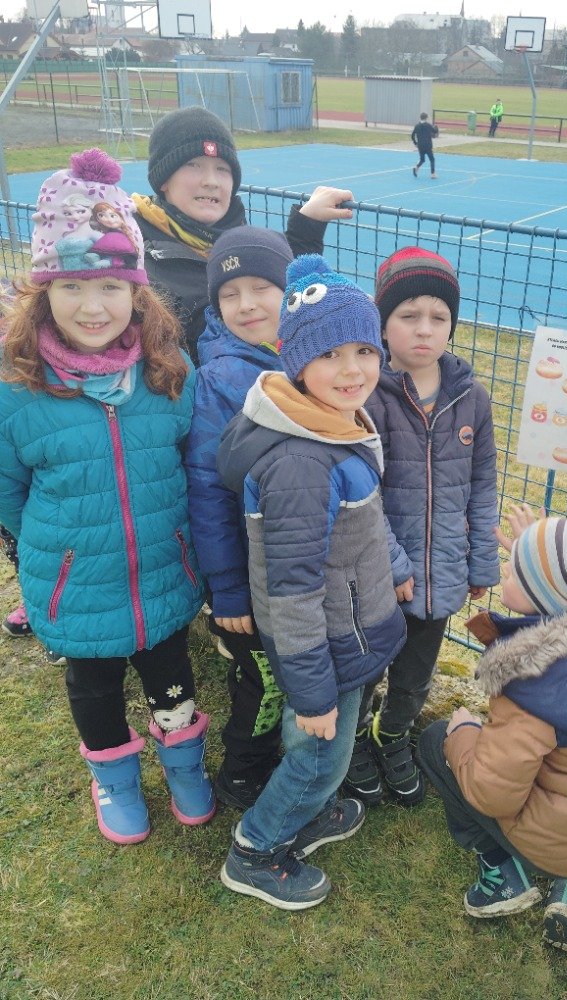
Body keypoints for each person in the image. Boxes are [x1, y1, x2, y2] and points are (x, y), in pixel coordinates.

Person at [0, 148, 214, 845]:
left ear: (138, 294)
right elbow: (9, 493)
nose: (93, 307)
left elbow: (192, 464)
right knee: (93, 689)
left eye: (112, 287)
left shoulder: (169, 371)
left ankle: (183, 763)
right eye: (71, 287)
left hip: (162, 571)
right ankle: (115, 780)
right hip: (77, 583)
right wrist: (56, 549)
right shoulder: (17, 388)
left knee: (171, 676)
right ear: (43, 294)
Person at [216, 254, 407, 910]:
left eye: (364, 351)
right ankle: (257, 848)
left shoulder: (333, 422)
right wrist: (313, 693)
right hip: (322, 647)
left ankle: (308, 808)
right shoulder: (301, 460)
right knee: (319, 754)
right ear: (298, 362)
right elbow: (291, 592)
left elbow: (362, 522)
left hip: (345, 630)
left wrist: (395, 569)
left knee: (326, 752)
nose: (352, 370)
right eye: (330, 355)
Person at [418, 511, 567, 958]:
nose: (503, 569)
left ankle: (502, 873)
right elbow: (564, 594)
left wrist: (463, 732)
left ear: (541, 594)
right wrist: (535, 561)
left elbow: (492, 795)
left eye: (515, 570)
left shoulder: (532, 687)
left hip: (561, 843)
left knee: (437, 740)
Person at [342, 247, 499, 807]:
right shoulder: (367, 397)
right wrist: (393, 564)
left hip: (442, 577)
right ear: (383, 324)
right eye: (408, 316)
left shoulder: (472, 398)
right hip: (379, 578)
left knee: (414, 674)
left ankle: (393, 736)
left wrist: (481, 562)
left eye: (438, 316)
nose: (425, 329)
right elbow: (360, 493)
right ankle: (352, 742)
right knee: (366, 668)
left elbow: (482, 485)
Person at [185, 226, 293, 811]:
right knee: (263, 677)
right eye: (230, 294)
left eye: (260, 288)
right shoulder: (221, 379)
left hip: (304, 562)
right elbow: (207, 491)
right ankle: (244, 770)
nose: (247, 304)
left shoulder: (316, 357)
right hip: (250, 574)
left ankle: (297, 753)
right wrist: (228, 589)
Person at [132, 105, 354, 361]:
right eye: (193, 165)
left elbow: (285, 289)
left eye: (222, 169)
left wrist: (306, 225)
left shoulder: (237, 239)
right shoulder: (132, 252)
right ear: (163, 180)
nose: (211, 181)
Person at [411, 112, 439, 179]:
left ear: (420, 118)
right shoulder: (428, 125)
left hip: (420, 145)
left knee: (422, 159)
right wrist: (436, 127)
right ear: (426, 118)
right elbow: (435, 131)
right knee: (432, 159)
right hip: (427, 145)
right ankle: (433, 174)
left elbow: (412, 135)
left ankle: (416, 167)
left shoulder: (417, 126)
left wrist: (415, 143)